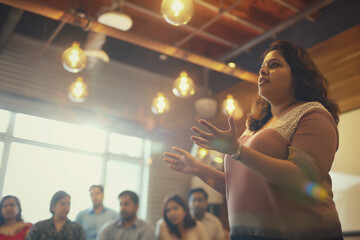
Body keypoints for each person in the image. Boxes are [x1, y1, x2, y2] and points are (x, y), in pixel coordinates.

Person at [164, 40, 343, 240]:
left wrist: (237, 151)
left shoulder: (313, 114)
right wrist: (198, 168)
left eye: (274, 65)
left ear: (298, 76)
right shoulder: (254, 127)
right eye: (262, 66)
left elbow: (301, 178)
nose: (263, 71)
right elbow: (239, 187)